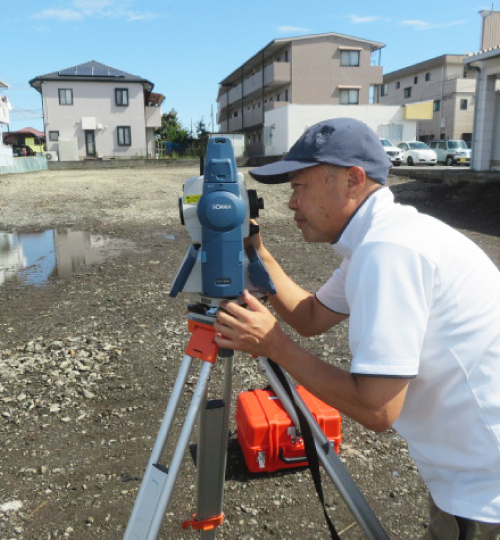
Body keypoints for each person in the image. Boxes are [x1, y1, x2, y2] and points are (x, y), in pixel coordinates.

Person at [213, 118, 500, 540]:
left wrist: (273, 344)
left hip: (484, 486)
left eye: (299, 186)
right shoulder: (383, 238)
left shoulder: (389, 251)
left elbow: (377, 409)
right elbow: (311, 316)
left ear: (352, 179)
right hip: (471, 465)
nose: (291, 203)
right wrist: (256, 251)